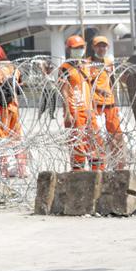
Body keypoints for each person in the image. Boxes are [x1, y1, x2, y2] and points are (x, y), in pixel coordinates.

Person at [0, 44, 28, 178]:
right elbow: (20, 86)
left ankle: (3, 170)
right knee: (16, 139)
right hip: (14, 107)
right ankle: (22, 169)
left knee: (0, 139)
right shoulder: (13, 67)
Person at [59, 35, 98, 170]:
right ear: (69, 49)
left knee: (95, 143)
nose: (79, 50)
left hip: (88, 110)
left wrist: (93, 107)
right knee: (78, 145)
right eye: (76, 48)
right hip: (75, 110)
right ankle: (79, 175)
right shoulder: (65, 68)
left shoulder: (86, 65)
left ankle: (96, 174)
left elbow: (89, 87)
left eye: (81, 47)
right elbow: (63, 90)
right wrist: (67, 113)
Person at [87, 36, 125, 170]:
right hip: (96, 105)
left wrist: (115, 100)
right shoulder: (88, 64)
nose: (101, 48)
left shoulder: (109, 62)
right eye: (98, 46)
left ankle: (118, 165)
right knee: (98, 137)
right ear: (93, 47)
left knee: (117, 136)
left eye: (104, 46)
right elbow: (87, 83)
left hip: (110, 105)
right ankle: (99, 167)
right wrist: (98, 90)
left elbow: (112, 81)